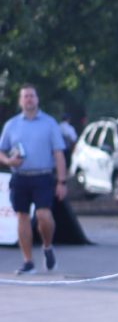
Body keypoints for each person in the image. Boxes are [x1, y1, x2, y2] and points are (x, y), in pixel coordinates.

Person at [0, 85, 68, 274]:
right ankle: (28, 261)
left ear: (37, 99)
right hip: (20, 177)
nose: (29, 99)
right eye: (25, 96)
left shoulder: (49, 123)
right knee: (22, 216)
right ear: (20, 101)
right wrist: (8, 160)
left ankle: (47, 246)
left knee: (43, 215)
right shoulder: (12, 124)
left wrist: (62, 181)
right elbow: (2, 150)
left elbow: (58, 153)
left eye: (32, 96)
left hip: (43, 176)